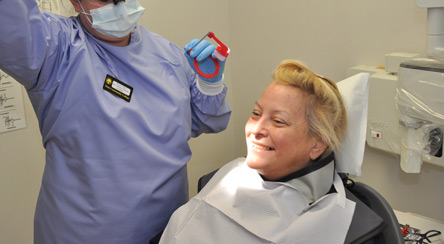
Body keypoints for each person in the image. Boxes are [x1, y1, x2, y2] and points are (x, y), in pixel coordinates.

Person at [0, 0, 231, 243]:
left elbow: (206, 122)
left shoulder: (166, 54)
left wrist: (209, 83)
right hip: (87, 232)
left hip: (167, 227)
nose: (121, 5)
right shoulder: (57, 52)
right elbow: (1, 16)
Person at [158, 60, 386, 244]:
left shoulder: (340, 227)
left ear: (318, 144)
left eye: (278, 121)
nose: (256, 129)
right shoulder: (225, 178)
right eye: (256, 113)